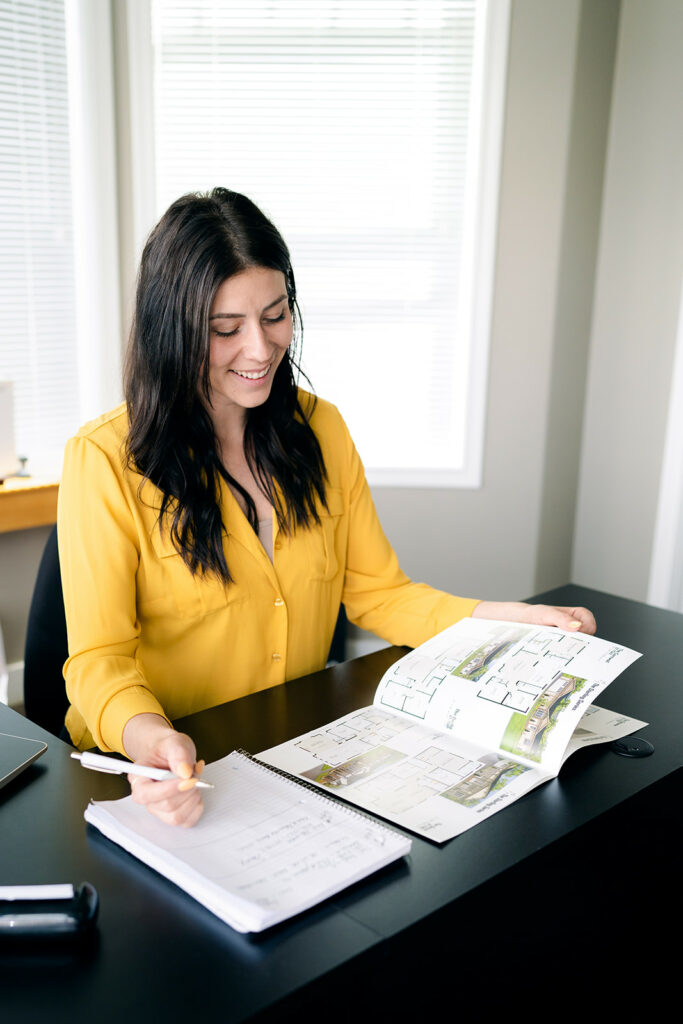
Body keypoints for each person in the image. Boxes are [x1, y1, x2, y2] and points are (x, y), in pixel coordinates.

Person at [58, 188, 596, 827]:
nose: (259, 350)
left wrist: (504, 621)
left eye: (276, 315)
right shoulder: (103, 461)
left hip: (289, 755)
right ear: (170, 330)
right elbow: (100, 659)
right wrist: (152, 740)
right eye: (225, 329)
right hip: (161, 771)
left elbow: (380, 594)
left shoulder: (323, 430)